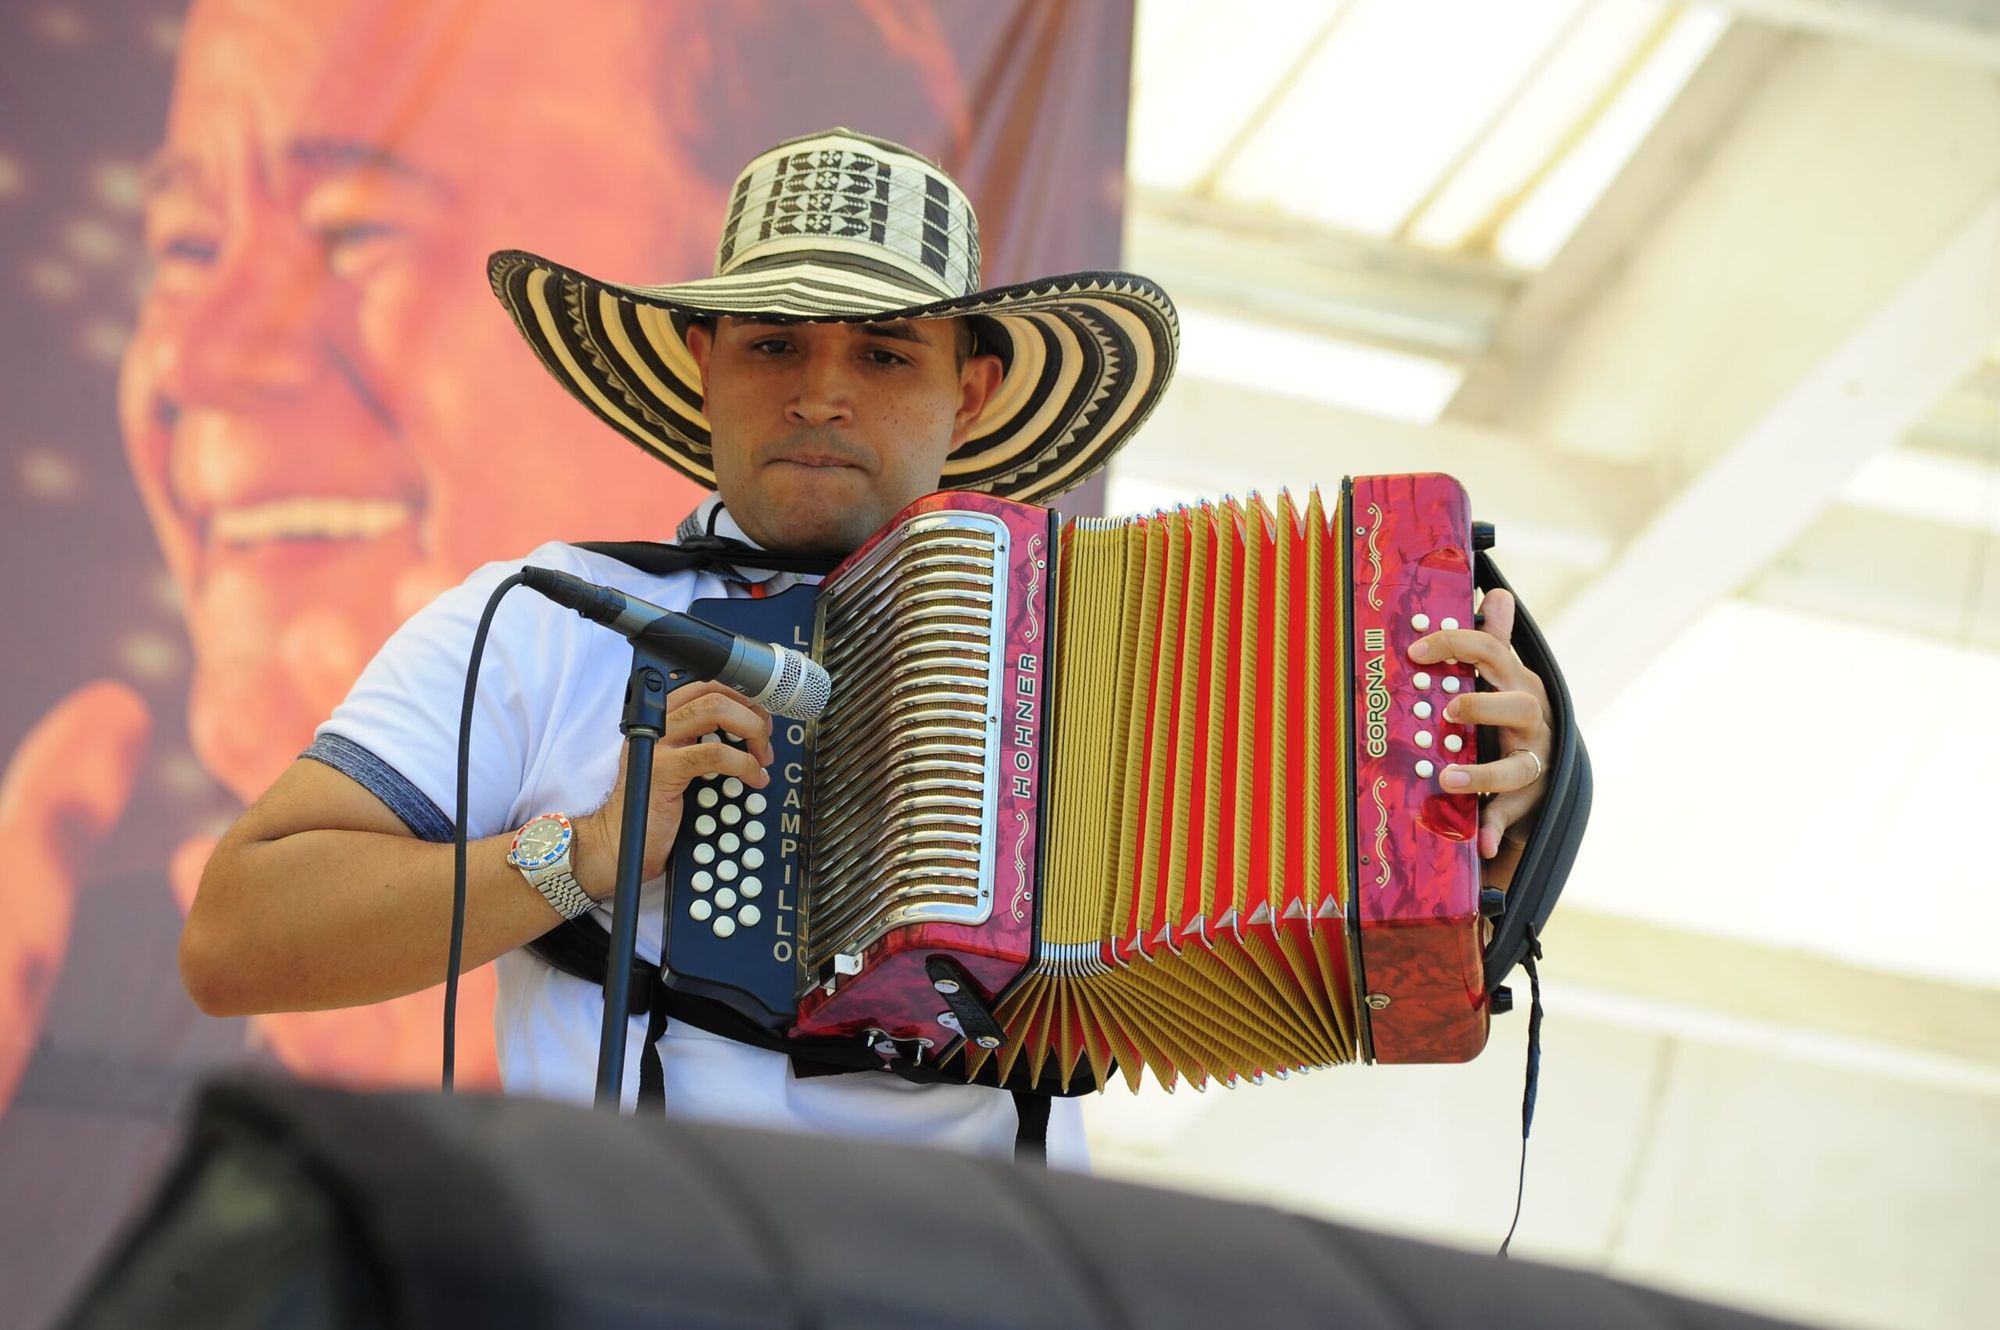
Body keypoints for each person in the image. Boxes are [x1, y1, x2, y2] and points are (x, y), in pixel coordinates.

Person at [182, 127, 1557, 1163]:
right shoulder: (546, 617)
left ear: (973, 388)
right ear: (704, 361)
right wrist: (582, 854)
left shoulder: (1122, 654)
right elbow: (237, 937)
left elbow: (1371, 947)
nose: (822, 394)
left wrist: (1475, 799)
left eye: (886, 355)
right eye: (775, 345)